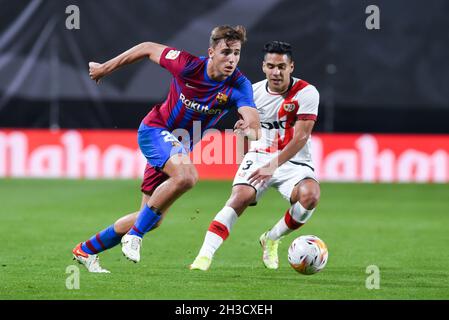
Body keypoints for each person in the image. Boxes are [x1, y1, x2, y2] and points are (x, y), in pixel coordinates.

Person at [72, 25, 261, 273]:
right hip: (155, 130)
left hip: (177, 146)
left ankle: (86, 250)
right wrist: (104, 68)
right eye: (226, 52)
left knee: (153, 218)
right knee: (187, 177)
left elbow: (254, 123)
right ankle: (134, 236)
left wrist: (247, 129)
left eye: (236, 53)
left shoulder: (239, 85)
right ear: (211, 52)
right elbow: (147, 47)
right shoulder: (188, 65)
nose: (232, 59)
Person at [190, 41, 320, 271]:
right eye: (271, 66)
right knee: (240, 197)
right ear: (263, 67)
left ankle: (272, 237)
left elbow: (300, 138)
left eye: (281, 66)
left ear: (292, 67)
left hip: (295, 160)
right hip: (259, 155)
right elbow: (247, 130)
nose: (276, 72)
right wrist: (244, 164)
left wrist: (272, 166)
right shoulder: (252, 92)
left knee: (310, 196)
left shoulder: (307, 93)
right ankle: (203, 257)